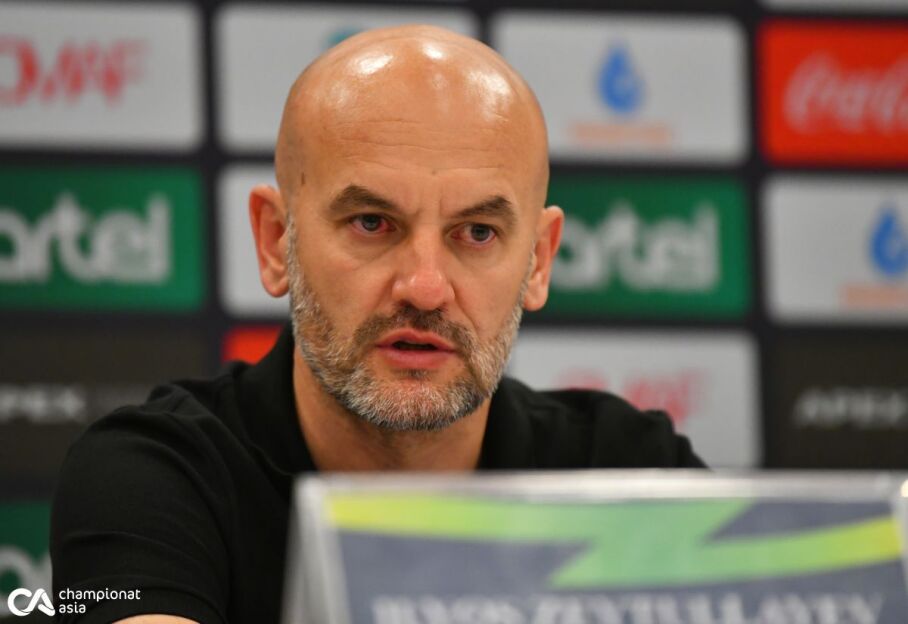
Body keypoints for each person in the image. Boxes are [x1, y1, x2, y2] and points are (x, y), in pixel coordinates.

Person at [51, 25, 704, 624]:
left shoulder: (633, 476)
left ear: (538, 261)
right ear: (276, 241)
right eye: (372, 223)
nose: (425, 287)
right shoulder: (149, 478)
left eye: (477, 232)